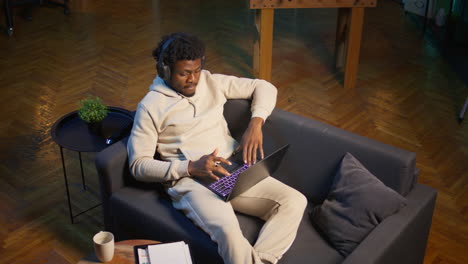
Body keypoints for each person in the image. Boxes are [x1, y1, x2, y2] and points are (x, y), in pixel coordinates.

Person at [127, 32, 307, 264]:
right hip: (192, 183)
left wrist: (256, 122)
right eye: (184, 73)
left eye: (196, 71)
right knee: (229, 232)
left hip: (233, 170)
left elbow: (264, 87)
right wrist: (190, 167)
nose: (192, 79)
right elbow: (137, 165)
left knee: (294, 201)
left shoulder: (211, 81)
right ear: (165, 70)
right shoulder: (150, 107)